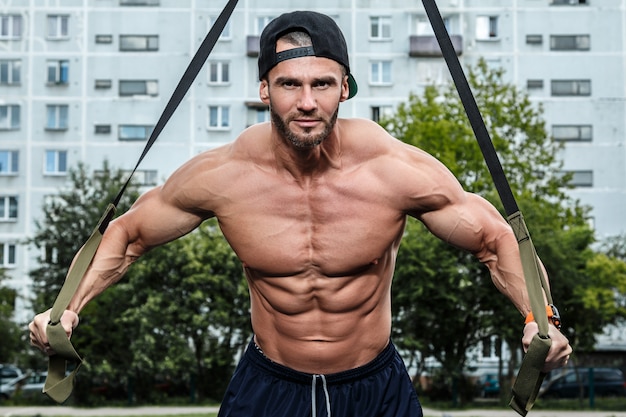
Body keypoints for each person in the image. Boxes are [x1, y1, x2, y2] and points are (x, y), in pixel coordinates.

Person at [29, 10, 572, 417]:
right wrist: (67, 309)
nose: (306, 102)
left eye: (322, 84)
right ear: (265, 88)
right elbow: (126, 235)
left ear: (345, 89)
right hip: (269, 385)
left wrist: (539, 320)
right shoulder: (223, 176)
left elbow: (495, 237)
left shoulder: (393, 170)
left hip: (374, 387)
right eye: (290, 83)